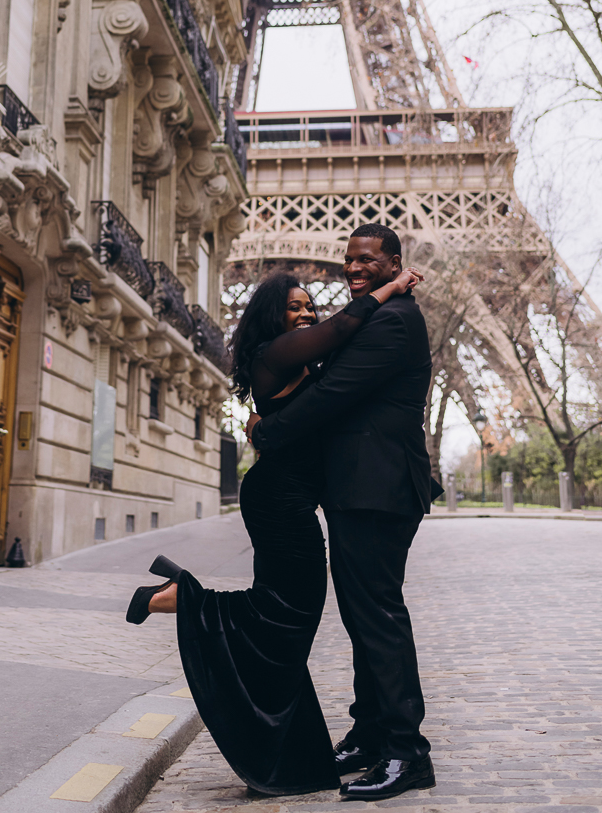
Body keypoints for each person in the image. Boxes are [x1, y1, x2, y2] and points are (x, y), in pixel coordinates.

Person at [125, 262, 422, 796]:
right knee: (284, 619)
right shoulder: (275, 354)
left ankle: (289, 753)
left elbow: (337, 353)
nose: (307, 313)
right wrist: (389, 288)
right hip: (280, 503)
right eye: (295, 306)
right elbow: (339, 330)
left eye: (310, 306)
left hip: (288, 501)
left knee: (284, 620)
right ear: (271, 314)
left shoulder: (299, 354)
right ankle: (183, 599)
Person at [247, 224, 437, 802]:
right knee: (361, 614)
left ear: (396, 262)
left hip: (378, 487)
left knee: (376, 615)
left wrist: (270, 432)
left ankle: (408, 752)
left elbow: (333, 395)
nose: (354, 268)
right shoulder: (373, 313)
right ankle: (372, 732)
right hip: (361, 487)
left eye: (368, 261)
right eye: (349, 259)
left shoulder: (395, 319)